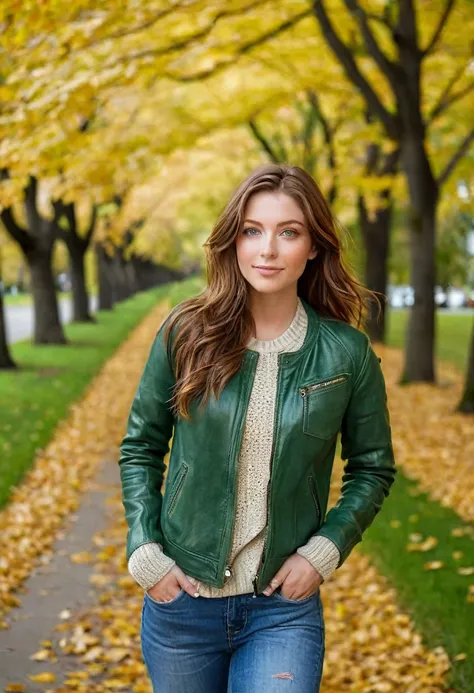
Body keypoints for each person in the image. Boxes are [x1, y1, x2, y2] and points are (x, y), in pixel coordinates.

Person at [118, 163, 397, 692]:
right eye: (252, 230)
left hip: (280, 610)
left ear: (313, 247)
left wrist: (324, 553)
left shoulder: (346, 353)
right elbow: (141, 446)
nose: (267, 249)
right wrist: (145, 551)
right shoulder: (187, 332)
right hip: (181, 604)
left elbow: (372, 469)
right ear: (234, 240)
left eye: (288, 232)